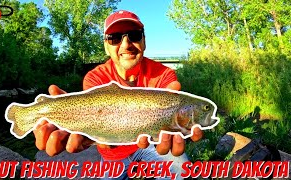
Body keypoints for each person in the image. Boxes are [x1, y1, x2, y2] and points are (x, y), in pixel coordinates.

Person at [33, 10, 203, 179]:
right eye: (115, 37)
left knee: (182, 173)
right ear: (106, 46)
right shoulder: (95, 77)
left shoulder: (164, 74)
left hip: (154, 145)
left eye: (134, 35)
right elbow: (97, 130)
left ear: (144, 41)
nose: (125, 44)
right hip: (114, 155)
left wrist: (182, 129)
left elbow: (177, 124)